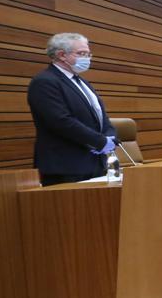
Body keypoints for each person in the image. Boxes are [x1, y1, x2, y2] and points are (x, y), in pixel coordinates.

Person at [26, 32, 117, 185]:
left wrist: (111, 136)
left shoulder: (81, 82)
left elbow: (100, 116)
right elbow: (61, 121)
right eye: (82, 53)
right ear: (62, 55)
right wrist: (99, 141)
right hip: (67, 166)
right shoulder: (44, 82)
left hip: (95, 163)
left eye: (89, 54)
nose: (87, 58)